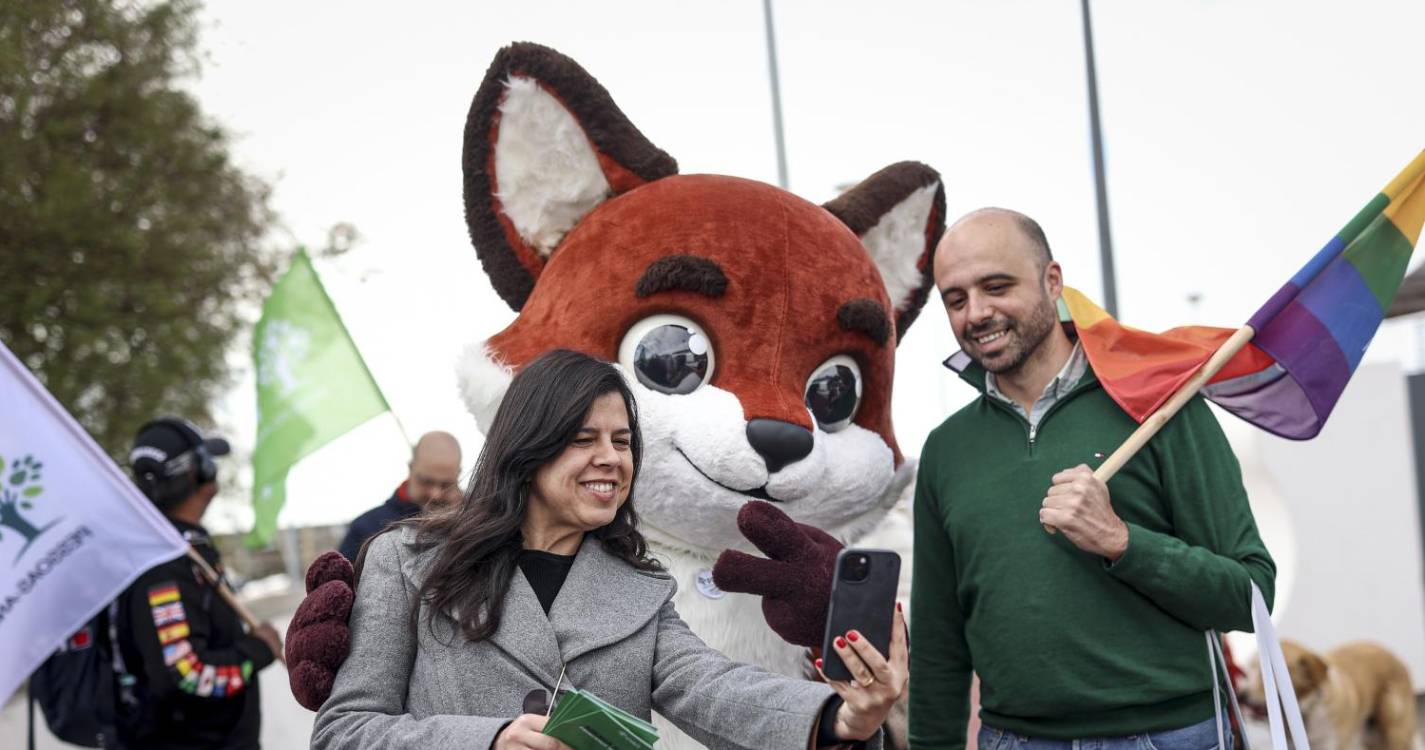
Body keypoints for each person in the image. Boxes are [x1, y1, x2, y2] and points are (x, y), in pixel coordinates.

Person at [312, 349, 907, 750]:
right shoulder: (406, 559)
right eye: (583, 439)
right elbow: (345, 730)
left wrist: (840, 715)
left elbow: (716, 688)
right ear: (529, 447)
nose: (612, 458)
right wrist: (489, 740)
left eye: (622, 441)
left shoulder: (640, 585)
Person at [908, 208, 1276, 749]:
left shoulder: (1161, 409)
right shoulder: (946, 449)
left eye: (996, 286)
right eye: (956, 299)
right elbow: (940, 643)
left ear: (1052, 281)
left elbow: (1251, 595)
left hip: (1172, 736)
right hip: (1014, 740)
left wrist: (1122, 542)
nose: (977, 313)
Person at [117, 417, 283, 749]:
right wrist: (257, 650)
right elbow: (186, 675)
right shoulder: (163, 565)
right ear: (198, 470)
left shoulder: (181, 550)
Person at [336, 430, 462, 561]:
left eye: (446, 484)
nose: (435, 494)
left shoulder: (474, 524)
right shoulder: (366, 529)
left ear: (459, 474)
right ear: (411, 468)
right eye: (427, 482)